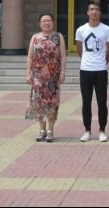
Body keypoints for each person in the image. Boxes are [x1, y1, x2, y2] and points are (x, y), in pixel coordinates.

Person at [75, 0, 109, 143]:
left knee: (102, 102)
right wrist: (87, 60)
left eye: (97, 9)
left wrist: (104, 61)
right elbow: (79, 49)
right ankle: (87, 130)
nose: (94, 12)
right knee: (86, 102)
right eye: (91, 9)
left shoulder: (106, 29)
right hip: (85, 70)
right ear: (87, 12)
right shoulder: (81, 30)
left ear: (100, 13)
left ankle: (102, 131)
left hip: (101, 70)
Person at [25, 13, 67, 142]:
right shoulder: (35, 37)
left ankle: (50, 130)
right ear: (40, 23)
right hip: (38, 77)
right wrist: (28, 74)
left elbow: (63, 56)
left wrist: (62, 73)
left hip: (53, 77)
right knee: (39, 103)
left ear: (53, 22)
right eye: (43, 21)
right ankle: (42, 129)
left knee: (52, 103)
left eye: (48, 20)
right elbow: (30, 57)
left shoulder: (58, 37)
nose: (46, 23)